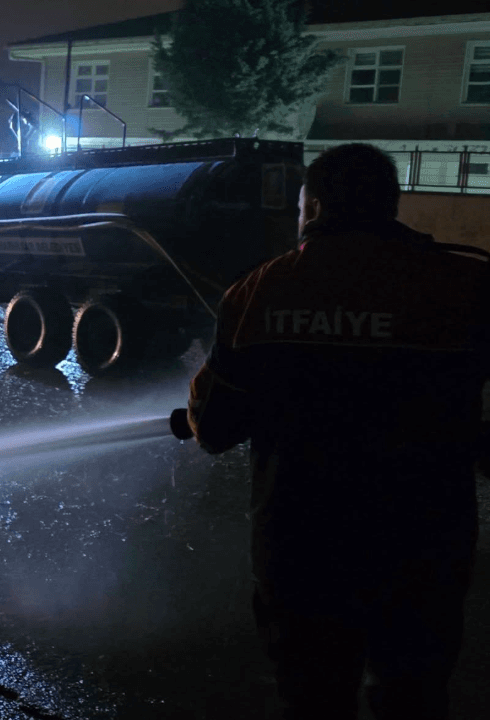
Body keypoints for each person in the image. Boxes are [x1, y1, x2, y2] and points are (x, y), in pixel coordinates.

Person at [185, 143, 489, 719]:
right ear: (391, 204)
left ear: (316, 208)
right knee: (414, 697)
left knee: (315, 699)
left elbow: (217, 428)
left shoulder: (261, 292)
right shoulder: (466, 287)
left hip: (302, 549)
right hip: (426, 548)